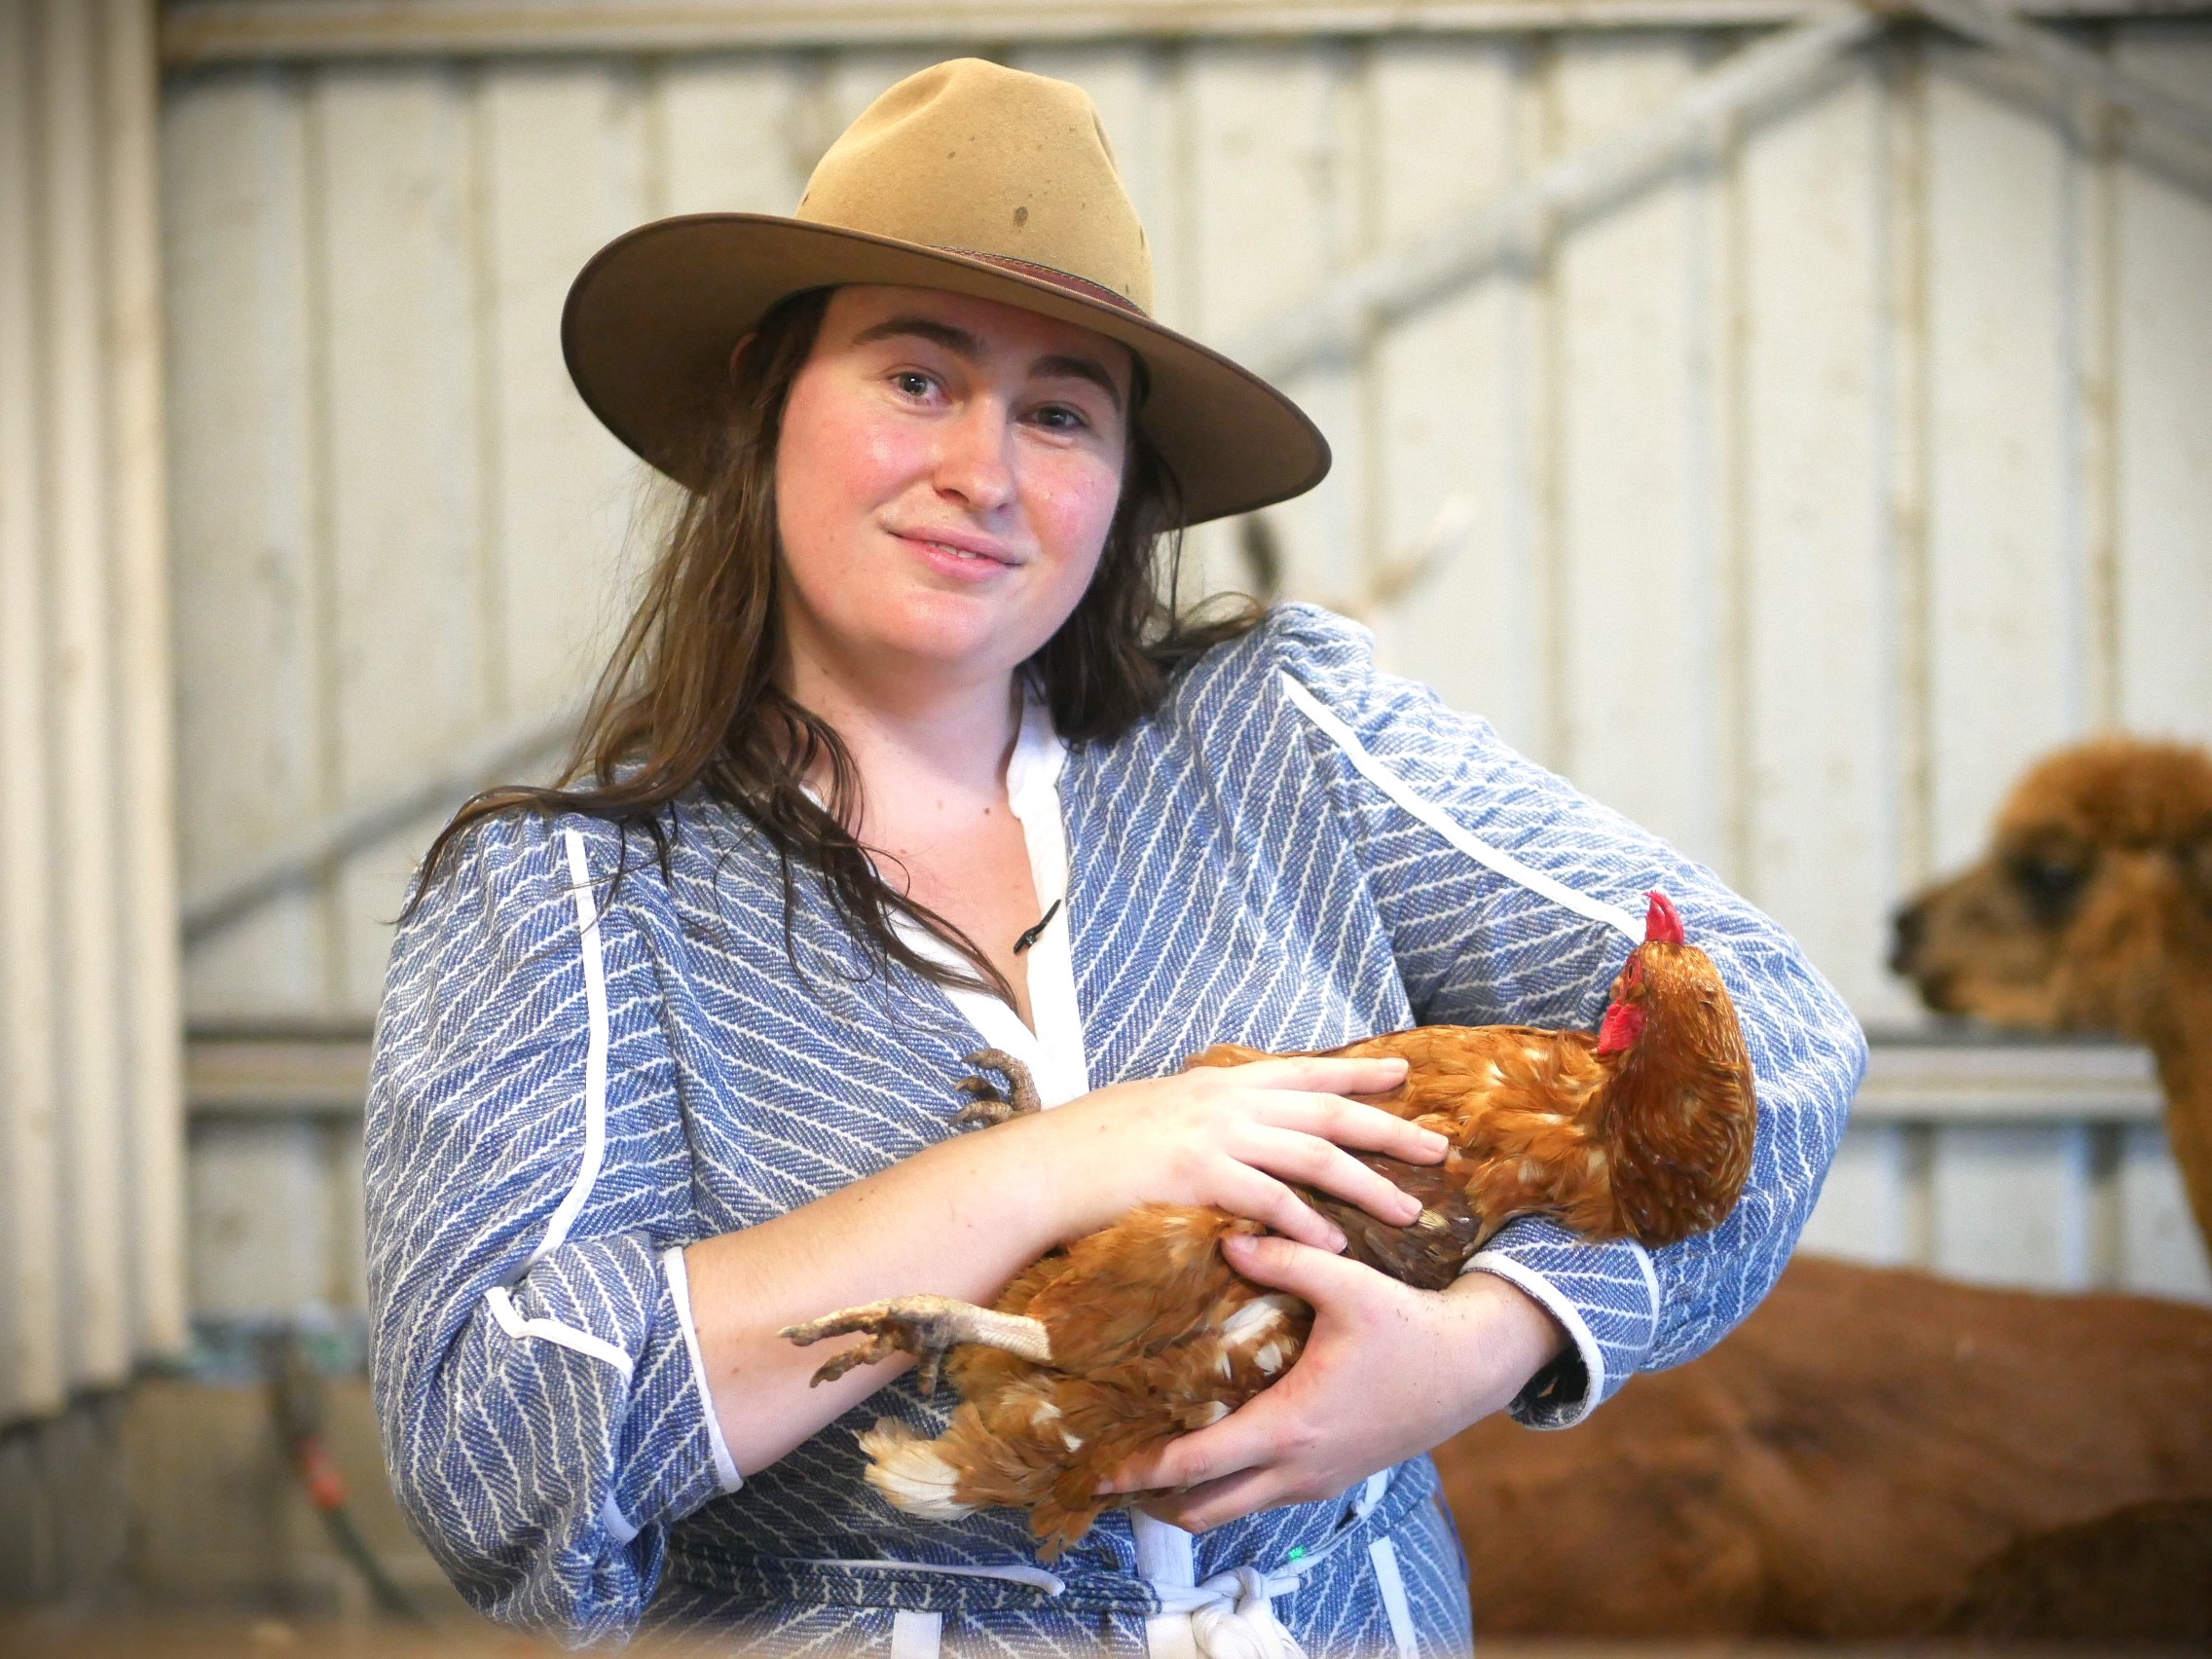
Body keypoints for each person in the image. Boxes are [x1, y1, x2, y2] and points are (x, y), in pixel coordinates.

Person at [366, 57, 1864, 1657]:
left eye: (1060, 412)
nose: (986, 474)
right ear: (766, 394)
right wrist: (1035, 1173)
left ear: (1121, 479)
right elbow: (483, 1445)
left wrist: (1485, 1344)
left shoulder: (1288, 741)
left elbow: (1772, 1034)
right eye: (917, 379)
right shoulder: (571, 901)